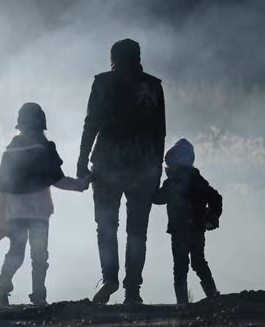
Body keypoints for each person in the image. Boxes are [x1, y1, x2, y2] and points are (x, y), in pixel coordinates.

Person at [76, 38, 166, 304]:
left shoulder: (103, 83)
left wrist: (82, 160)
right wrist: (157, 168)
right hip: (143, 165)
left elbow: (91, 123)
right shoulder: (153, 86)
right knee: (137, 231)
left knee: (106, 226)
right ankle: (133, 290)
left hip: (107, 164)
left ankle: (109, 278)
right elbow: (159, 132)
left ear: (113, 58)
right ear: (138, 57)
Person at [0, 102, 90, 306]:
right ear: (41, 124)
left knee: (16, 251)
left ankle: (1, 284)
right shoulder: (45, 149)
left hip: (15, 213)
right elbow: (58, 180)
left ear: (20, 125)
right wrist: (81, 184)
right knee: (39, 255)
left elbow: (1, 188)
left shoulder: (10, 152)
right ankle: (39, 296)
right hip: (39, 212)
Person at [153, 139, 222, 304]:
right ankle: (213, 297)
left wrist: (150, 185)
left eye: (170, 164)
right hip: (198, 230)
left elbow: (158, 198)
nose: (168, 167)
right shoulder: (199, 180)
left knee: (180, 267)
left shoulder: (172, 182)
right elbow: (216, 198)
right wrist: (213, 216)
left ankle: (182, 304)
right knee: (199, 262)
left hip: (179, 231)